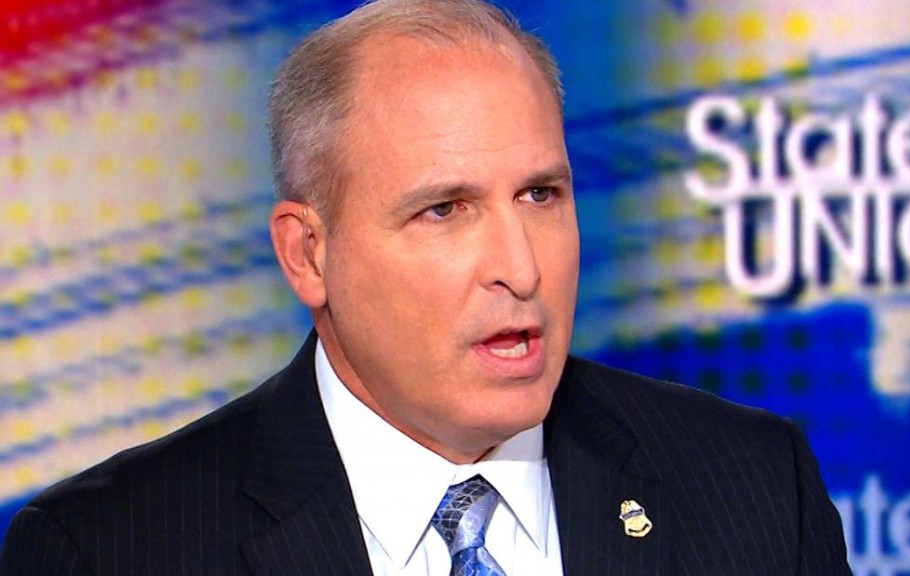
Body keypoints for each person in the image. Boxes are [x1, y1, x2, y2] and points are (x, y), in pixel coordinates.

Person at [0, 0, 851, 574]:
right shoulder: (110, 549)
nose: (520, 267)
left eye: (540, 196)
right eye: (445, 210)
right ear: (308, 255)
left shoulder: (753, 489)